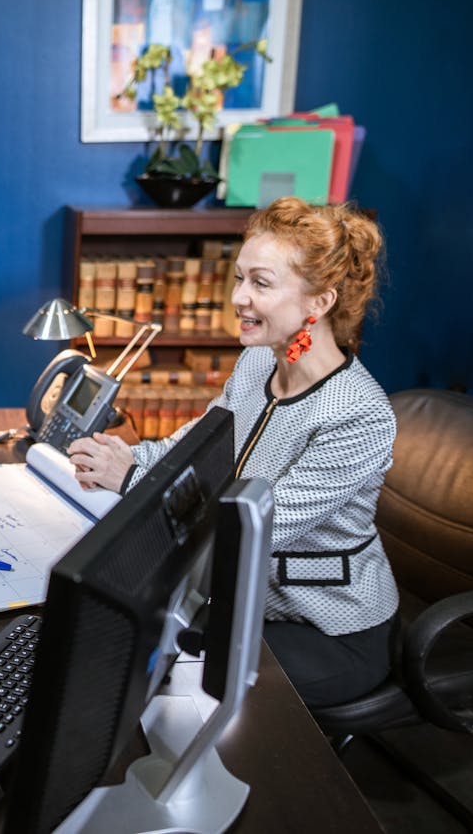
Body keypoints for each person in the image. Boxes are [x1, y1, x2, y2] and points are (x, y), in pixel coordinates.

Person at [67, 196, 398, 708]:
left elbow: (252, 532)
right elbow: (189, 452)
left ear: (320, 303)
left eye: (261, 283)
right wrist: (126, 457)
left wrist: (132, 481)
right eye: (239, 278)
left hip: (326, 628)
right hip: (240, 602)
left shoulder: (359, 415)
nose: (239, 297)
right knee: (112, 649)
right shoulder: (255, 368)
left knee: (164, 688)